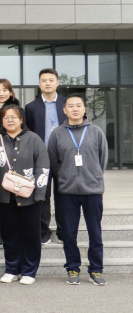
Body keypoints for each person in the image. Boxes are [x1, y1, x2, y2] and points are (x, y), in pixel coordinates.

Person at [47, 95, 108, 286]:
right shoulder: (57, 133)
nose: (75, 109)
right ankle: (72, 268)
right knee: (69, 234)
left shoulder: (96, 131)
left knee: (95, 233)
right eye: (71, 106)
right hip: (67, 192)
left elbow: (102, 159)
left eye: (78, 106)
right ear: (64, 110)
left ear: (84, 109)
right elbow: (54, 162)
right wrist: (65, 179)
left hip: (93, 191)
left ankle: (96, 270)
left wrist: (93, 177)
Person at [0, 104, 50, 285]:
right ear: (2, 121)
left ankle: (29, 270)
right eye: (6, 117)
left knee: (30, 235)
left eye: (14, 117)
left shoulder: (34, 139)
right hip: (4, 197)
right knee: (9, 234)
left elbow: (43, 166)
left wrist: (39, 193)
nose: (10, 120)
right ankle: (11, 269)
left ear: (21, 119)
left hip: (30, 197)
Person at [24, 68, 66, 245]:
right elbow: (28, 133)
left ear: (57, 83)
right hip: (41, 158)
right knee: (42, 195)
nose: (47, 83)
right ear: (39, 84)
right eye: (44, 80)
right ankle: (43, 232)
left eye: (51, 80)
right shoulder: (31, 107)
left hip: (64, 158)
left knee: (63, 195)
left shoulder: (67, 104)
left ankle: (64, 232)